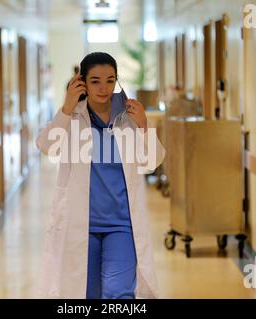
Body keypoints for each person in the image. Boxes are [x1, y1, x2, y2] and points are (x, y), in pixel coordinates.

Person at [36, 52, 165, 299]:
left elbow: (153, 161)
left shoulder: (128, 117)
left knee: (119, 294)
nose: (103, 88)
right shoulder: (72, 117)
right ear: (82, 81)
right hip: (81, 225)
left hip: (122, 225)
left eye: (110, 80)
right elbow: (46, 146)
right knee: (86, 294)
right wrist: (66, 107)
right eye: (95, 80)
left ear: (117, 81)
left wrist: (144, 126)